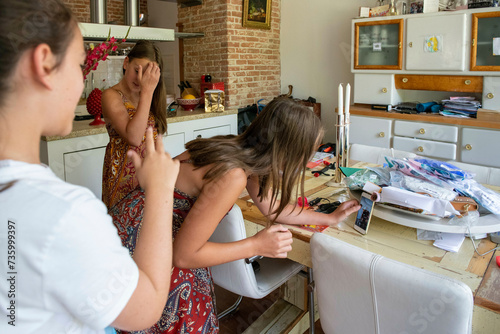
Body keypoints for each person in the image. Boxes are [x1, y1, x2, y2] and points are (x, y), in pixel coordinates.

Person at [0, 1, 179, 333]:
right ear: (43, 64)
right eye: (80, 65)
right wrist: (160, 192)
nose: (83, 85)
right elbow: (146, 306)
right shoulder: (65, 216)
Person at [111, 97, 361, 333]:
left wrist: (329, 218)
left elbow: (273, 208)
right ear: (287, 150)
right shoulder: (233, 174)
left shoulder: (238, 150)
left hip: (133, 224)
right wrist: (256, 244)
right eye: (307, 151)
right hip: (143, 242)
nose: (308, 159)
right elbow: (184, 256)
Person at [101, 40, 167, 210]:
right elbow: (134, 138)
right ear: (126, 63)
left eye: (146, 75)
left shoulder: (149, 97)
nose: (140, 79)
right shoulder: (111, 95)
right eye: (137, 70)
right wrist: (147, 91)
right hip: (121, 182)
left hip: (149, 179)